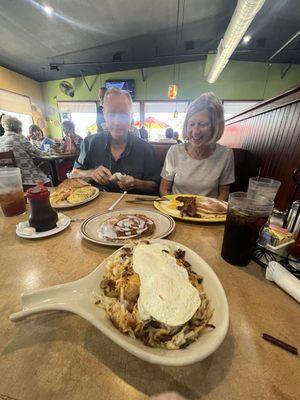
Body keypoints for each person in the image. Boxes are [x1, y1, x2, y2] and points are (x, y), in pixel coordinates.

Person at [73, 87, 160, 194]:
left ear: (131, 116)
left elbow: (155, 186)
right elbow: (74, 174)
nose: (117, 122)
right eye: (111, 114)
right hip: (96, 207)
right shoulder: (89, 143)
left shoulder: (146, 149)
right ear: (104, 114)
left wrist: (136, 183)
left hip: (133, 208)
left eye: (123, 115)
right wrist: (90, 173)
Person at [160, 92, 235, 200]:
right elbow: (164, 189)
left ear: (215, 127)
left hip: (208, 212)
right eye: (191, 124)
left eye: (202, 124)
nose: (195, 132)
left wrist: (209, 213)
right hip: (175, 209)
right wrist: (174, 208)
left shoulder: (226, 155)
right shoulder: (174, 151)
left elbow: (223, 194)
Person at [0, 115, 50, 185]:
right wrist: (49, 151)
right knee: (46, 166)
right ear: (19, 128)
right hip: (27, 179)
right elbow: (38, 153)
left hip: (7, 181)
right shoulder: (20, 138)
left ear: (5, 128)